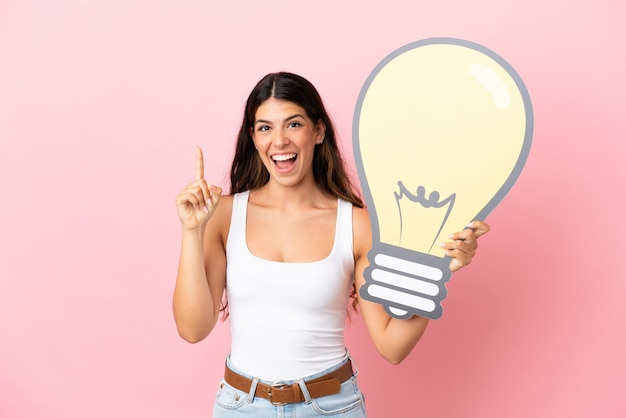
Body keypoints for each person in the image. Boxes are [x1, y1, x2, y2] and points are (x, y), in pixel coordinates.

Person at [173, 72, 490, 417]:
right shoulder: (223, 215)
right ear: (253, 137)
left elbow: (391, 345)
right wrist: (192, 232)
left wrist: (439, 271)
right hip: (240, 407)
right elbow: (193, 329)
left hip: (332, 407)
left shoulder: (357, 224)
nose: (279, 141)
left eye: (293, 125)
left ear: (318, 131)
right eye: (265, 128)